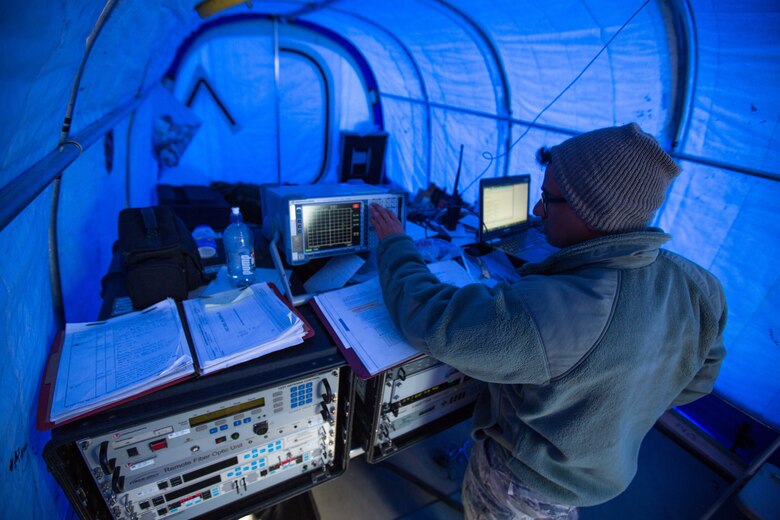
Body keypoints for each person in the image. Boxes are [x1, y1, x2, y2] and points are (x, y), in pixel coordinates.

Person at [369, 123, 727, 519]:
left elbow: (431, 318)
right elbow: (697, 381)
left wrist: (395, 245)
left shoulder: (552, 312)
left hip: (520, 487)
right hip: (597, 475)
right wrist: (618, 402)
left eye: (547, 199)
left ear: (594, 211)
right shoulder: (701, 287)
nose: (537, 211)